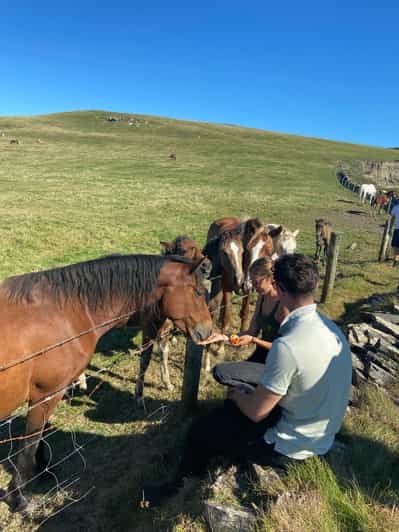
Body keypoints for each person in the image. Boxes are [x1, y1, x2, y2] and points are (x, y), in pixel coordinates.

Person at [140, 254, 352, 507]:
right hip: (321, 435)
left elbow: (256, 412)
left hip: (289, 448)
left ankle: (176, 491)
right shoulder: (331, 330)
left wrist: (238, 393)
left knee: (199, 431)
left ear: (281, 288)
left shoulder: (287, 346)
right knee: (226, 416)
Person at [209, 256, 290, 389]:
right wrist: (224, 338)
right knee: (230, 382)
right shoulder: (262, 298)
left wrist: (255, 340)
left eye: (256, 282)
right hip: (261, 355)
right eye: (252, 282)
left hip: (277, 363)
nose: (253, 286)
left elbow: (285, 349)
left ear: (271, 278)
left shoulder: (283, 306)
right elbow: (251, 332)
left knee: (225, 375)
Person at [390, 200, 399, 266]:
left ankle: (395, 261)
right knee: (395, 246)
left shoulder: (395, 207)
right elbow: (392, 218)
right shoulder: (396, 207)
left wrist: (390, 228)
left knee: (395, 246)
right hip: (397, 229)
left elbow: (392, 218)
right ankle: (395, 261)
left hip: (397, 229)